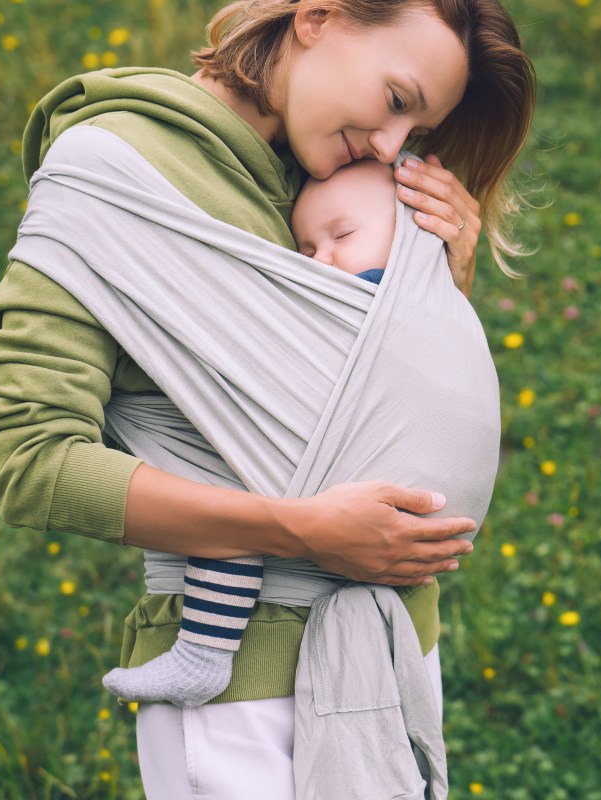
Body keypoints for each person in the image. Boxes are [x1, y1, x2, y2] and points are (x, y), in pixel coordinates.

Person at [0, 1, 535, 797]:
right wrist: (300, 530)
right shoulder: (116, 171)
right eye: (397, 99)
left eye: (415, 132)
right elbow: (30, 460)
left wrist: (434, 287)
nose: (390, 144)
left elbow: (370, 397)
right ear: (319, 19)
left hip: (398, 655)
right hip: (238, 690)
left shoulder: (343, 186)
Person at [98, 159, 419, 708]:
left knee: (224, 507)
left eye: (342, 235)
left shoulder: (382, 294)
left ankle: (203, 654)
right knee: (231, 509)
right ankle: (202, 657)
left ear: (413, 236)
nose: (324, 260)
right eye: (306, 251)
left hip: (343, 460)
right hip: (352, 487)